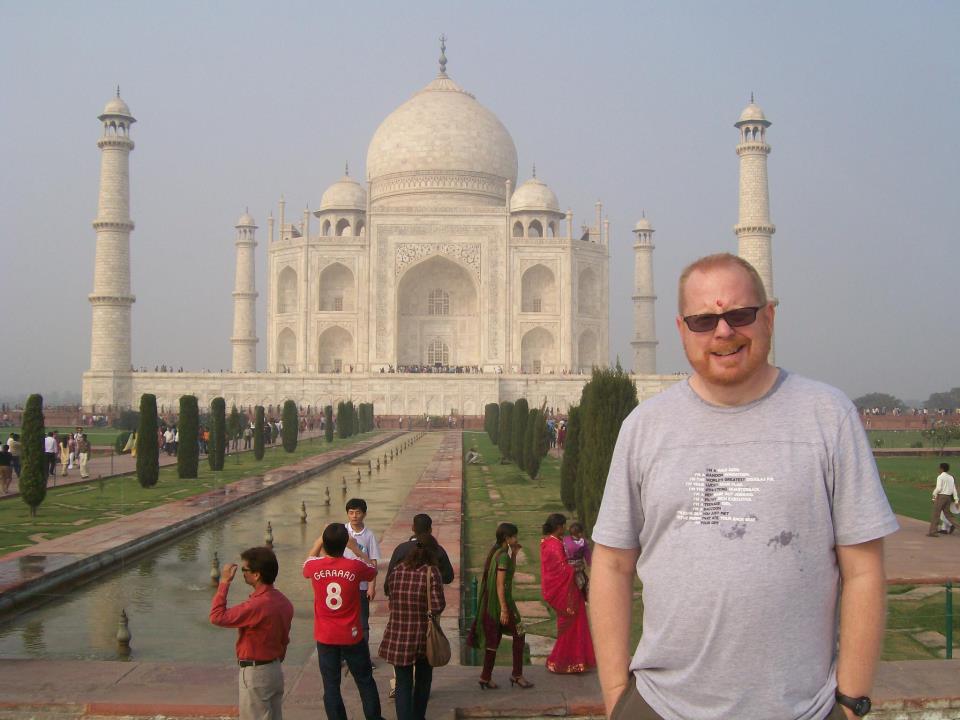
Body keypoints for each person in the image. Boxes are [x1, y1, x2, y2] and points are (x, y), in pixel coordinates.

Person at [590, 253, 899, 720]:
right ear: (682, 329)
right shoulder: (645, 428)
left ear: (768, 316)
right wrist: (617, 696)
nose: (723, 331)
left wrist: (851, 703)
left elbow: (863, 570)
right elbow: (612, 565)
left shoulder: (827, 416)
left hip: (800, 710)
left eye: (740, 315)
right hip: (659, 706)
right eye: (703, 319)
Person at [303, 522, 384, 720]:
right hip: (352, 634)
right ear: (344, 544)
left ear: (325, 544)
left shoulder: (314, 566)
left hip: (326, 635)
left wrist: (319, 540)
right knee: (365, 680)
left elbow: (307, 561)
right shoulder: (354, 566)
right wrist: (355, 548)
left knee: (331, 685)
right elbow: (372, 570)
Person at [209, 546, 294, 720]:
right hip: (275, 669)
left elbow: (217, 617)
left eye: (244, 570)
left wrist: (224, 582)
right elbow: (285, 640)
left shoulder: (256, 605)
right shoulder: (284, 602)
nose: (242, 573)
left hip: (256, 673)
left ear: (257, 575)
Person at [383, 513, 455, 699]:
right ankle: (421, 692)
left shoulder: (401, 549)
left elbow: (388, 583)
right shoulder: (436, 549)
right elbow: (449, 577)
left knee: (402, 655)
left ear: (412, 528)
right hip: (428, 610)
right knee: (425, 652)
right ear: (430, 529)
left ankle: (398, 686)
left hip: (401, 612)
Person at [378, 531, 446, 720]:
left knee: (402, 683)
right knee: (423, 682)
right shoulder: (431, 573)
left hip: (398, 634)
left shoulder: (397, 570)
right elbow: (438, 605)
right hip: (422, 636)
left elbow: (392, 599)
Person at [466, 522, 533, 689]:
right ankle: (517, 675)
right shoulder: (502, 556)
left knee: (493, 639)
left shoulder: (498, 552)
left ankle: (485, 677)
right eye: (514, 536)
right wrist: (504, 609)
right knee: (519, 634)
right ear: (506, 538)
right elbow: (500, 585)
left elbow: (508, 573)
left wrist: (515, 554)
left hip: (492, 604)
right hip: (501, 603)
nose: (516, 539)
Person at [540, 513, 595, 674]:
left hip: (567, 589)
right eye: (563, 525)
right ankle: (564, 661)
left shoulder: (549, 542)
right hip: (567, 592)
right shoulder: (555, 545)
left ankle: (573, 660)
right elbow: (562, 569)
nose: (565, 528)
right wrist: (577, 568)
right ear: (558, 527)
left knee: (572, 625)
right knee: (574, 624)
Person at [344, 498, 381, 659]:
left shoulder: (369, 535)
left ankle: (363, 656)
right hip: (344, 583)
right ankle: (344, 655)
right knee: (344, 620)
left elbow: (373, 562)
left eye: (358, 512)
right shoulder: (342, 532)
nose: (354, 516)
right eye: (351, 512)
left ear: (364, 514)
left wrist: (372, 586)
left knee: (362, 622)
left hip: (361, 585)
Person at [928, 462, 960, 537]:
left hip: (941, 497)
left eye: (939, 468)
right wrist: (956, 500)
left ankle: (932, 532)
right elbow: (954, 489)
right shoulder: (951, 477)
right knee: (949, 515)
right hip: (948, 498)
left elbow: (938, 488)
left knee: (936, 514)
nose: (938, 469)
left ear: (942, 469)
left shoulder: (940, 477)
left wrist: (933, 497)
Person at [562, 521, 592, 601]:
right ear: (579, 533)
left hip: (566, 568)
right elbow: (588, 556)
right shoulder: (582, 543)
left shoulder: (565, 540)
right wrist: (591, 564)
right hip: (578, 568)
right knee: (584, 583)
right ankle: (583, 600)